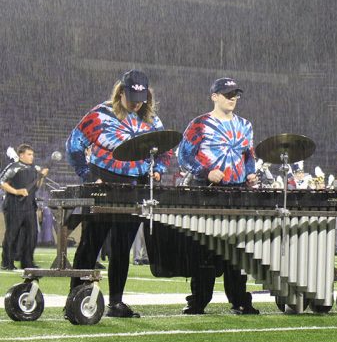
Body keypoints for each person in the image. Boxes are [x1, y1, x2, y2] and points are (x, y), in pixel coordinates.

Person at [66, 70, 168, 318]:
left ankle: (116, 302)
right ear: (120, 92)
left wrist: (158, 171)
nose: (136, 102)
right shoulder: (100, 114)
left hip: (134, 187)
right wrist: (88, 176)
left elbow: (165, 150)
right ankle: (76, 298)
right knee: (91, 243)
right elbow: (74, 145)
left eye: (141, 97)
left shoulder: (152, 121)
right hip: (103, 183)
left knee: (122, 247)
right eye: (131, 96)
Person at [177, 77, 259, 315]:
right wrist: (205, 172)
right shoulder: (199, 124)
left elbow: (249, 156)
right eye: (227, 94)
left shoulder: (245, 125)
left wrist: (251, 173)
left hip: (238, 191)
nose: (233, 98)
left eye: (235, 94)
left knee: (237, 250)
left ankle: (240, 300)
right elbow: (183, 157)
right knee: (205, 249)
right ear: (214, 96)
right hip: (207, 192)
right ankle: (199, 300)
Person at [1, 144, 47, 270]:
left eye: (32, 154)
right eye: (29, 154)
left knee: (31, 235)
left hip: (29, 206)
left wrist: (41, 177)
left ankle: (27, 262)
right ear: (21, 155)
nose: (32, 157)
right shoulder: (14, 167)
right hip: (14, 206)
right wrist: (16, 191)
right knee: (12, 235)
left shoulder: (33, 169)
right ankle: (7, 262)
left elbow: (36, 187)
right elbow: (1, 182)